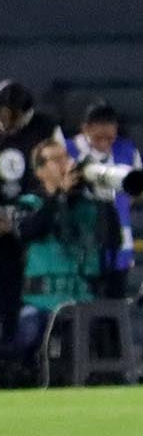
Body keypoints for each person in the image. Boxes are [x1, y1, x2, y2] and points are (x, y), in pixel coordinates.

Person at [0, 80, 63, 344]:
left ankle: (46, 349)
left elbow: (59, 169)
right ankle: (11, 354)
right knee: (7, 291)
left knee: (40, 288)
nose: (7, 123)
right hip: (1, 227)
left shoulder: (46, 129)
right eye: (2, 115)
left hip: (38, 223)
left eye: (13, 116)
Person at [11, 138, 103, 371]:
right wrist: (57, 196)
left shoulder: (84, 203)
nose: (65, 164)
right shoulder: (28, 203)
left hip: (79, 298)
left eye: (66, 158)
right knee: (27, 339)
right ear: (40, 171)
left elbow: (109, 237)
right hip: (40, 301)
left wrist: (99, 192)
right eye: (57, 160)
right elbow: (30, 230)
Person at [64, 103, 141, 299]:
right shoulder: (68, 150)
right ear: (85, 129)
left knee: (116, 298)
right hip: (82, 235)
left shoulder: (127, 151)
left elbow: (134, 191)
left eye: (110, 137)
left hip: (118, 234)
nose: (105, 142)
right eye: (99, 137)